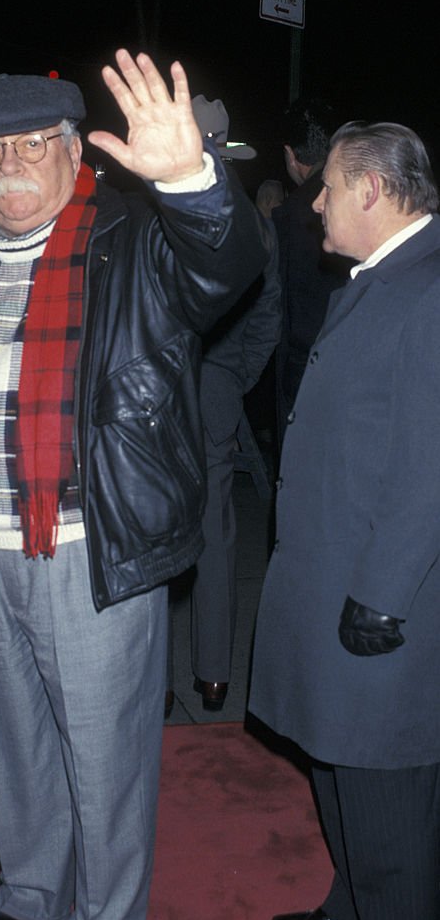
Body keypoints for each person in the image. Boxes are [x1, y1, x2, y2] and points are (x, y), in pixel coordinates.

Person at [0, 50, 267, 920]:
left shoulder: (131, 239)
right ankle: (34, 888)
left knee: (104, 755)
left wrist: (192, 182)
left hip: (89, 551)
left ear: (70, 152)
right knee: (6, 742)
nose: (5, 168)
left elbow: (228, 265)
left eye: (28, 147)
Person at [248, 121, 440, 920]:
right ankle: (356, 907)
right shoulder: (383, 276)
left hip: (381, 598)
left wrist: (382, 596)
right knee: (334, 766)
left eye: (327, 186)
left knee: (388, 803)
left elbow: (428, 462)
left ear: (371, 190)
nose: (313, 201)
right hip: (332, 577)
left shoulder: (431, 284)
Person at [166, 94, 281, 714]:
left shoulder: (156, 212)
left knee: (157, 532)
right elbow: (268, 320)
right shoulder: (251, 220)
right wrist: (232, 381)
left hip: (168, 399)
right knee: (212, 535)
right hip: (211, 397)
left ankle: (154, 681)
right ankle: (213, 676)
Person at [271, 97, 349, 451]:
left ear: (290, 154)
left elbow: (277, 301)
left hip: (302, 364)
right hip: (346, 359)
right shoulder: (353, 200)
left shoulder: (292, 214)